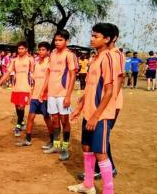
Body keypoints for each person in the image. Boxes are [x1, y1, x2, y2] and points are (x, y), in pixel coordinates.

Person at [68, 23, 117, 194]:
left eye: (96, 36)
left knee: (100, 152)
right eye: (92, 35)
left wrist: (96, 116)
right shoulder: (94, 58)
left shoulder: (108, 57)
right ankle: (88, 185)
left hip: (100, 115)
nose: (92, 39)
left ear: (107, 39)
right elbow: (90, 88)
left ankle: (108, 191)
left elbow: (110, 91)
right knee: (87, 148)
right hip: (88, 113)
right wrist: (79, 108)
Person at [40, 30, 77, 161]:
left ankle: (65, 148)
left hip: (62, 93)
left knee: (64, 120)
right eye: (55, 40)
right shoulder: (52, 54)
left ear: (66, 41)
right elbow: (48, 73)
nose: (57, 42)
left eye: (60, 40)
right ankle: (56, 145)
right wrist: (43, 90)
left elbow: (73, 75)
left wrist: (68, 96)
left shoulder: (70, 55)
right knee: (54, 119)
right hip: (51, 93)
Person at [16, 42, 53, 147]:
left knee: (46, 118)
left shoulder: (49, 63)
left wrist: (43, 92)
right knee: (30, 117)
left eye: (43, 50)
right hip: (35, 96)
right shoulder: (37, 63)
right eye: (40, 49)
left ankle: (52, 140)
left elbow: (48, 79)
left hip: (44, 97)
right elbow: (35, 79)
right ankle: (28, 139)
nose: (41, 52)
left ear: (48, 51)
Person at [0, 41, 34, 137]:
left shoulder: (30, 60)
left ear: (26, 50)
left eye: (22, 49)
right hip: (16, 87)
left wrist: (34, 87)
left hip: (26, 87)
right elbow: (7, 73)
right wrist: (0, 82)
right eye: (19, 49)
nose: (20, 50)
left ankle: (18, 125)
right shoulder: (14, 60)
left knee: (21, 106)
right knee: (17, 107)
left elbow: (33, 74)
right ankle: (22, 122)